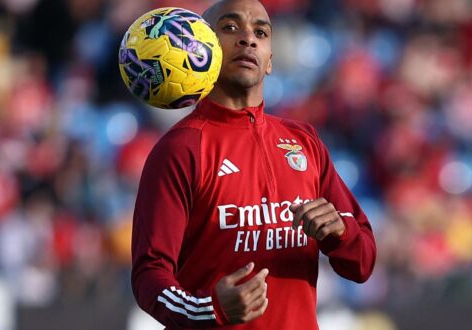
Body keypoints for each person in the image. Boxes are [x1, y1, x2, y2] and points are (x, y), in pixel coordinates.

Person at [131, 0, 376, 328]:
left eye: (261, 32)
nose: (249, 39)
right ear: (202, 49)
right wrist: (208, 307)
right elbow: (149, 275)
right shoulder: (180, 148)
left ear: (270, 60)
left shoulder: (304, 141)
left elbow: (362, 263)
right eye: (230, 28)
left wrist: (339, 233)